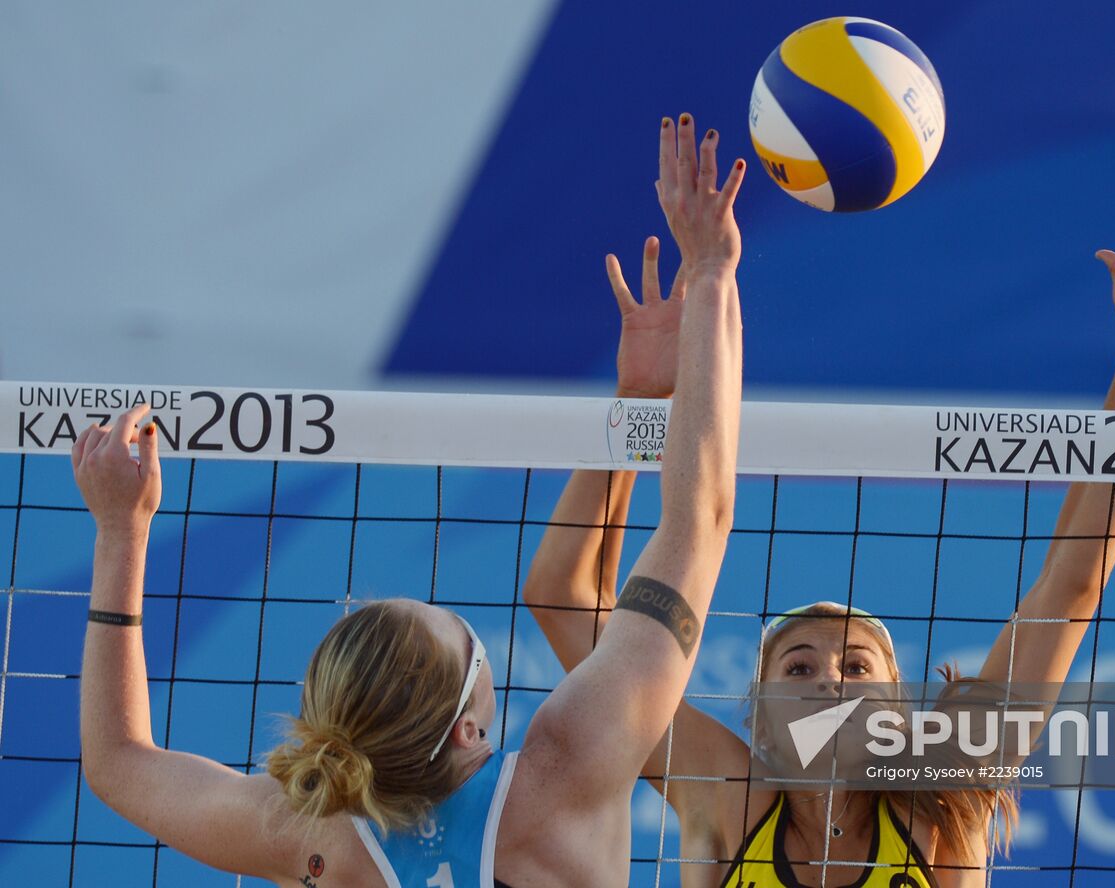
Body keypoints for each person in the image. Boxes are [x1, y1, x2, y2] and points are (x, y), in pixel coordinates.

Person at [72, 114, 745, 888]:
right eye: (466, 638)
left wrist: (122, 532)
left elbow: (119, 765)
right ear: (469, 727)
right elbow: (701, 517)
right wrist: (713, 275)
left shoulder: (309, 837)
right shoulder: (566, 767)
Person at [523, 195, 1115, 887]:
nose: (830, 681)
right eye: (801, 665)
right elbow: (564, 598)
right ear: (758, 712)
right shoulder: (725, 794)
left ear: (900, 714)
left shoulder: (944, 805)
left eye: (854, 664)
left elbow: (1071, 587)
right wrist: (643, 407)